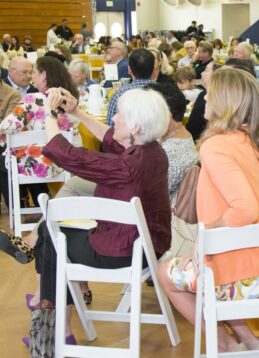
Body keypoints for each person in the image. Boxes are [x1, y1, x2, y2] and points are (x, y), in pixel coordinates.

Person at [0, 86, 172, 346]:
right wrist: (76, 112)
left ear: (135, 127)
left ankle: (54, 328)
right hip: (147, 245)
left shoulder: (129, 165)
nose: (114, 118)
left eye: (120, 115)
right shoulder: (152, 151)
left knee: (49, 237)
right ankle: (53, 319)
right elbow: (111, 137)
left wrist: (49, 114)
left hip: (123, 250)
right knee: (50, 237)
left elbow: (66, 154)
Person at [157, 67, 259, 353]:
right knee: (213, 271)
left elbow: (245, 210)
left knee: (165, 273)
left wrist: (204, 238)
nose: (205, 98)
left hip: (250, 275)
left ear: (224, 102)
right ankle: (251, 343)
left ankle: (226, 347)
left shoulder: (216, 146)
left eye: (210, 94)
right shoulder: (258, 144)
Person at [106, 49, 156, 126]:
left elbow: (110, 127)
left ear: (129, 70)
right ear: (153, 69)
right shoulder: (165, 92)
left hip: (128, 133)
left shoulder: (119, 95)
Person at [185, 61, 222, 141]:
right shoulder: (203, 94)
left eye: (206, 70)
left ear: (216, 75)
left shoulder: (219, 99)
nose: (202, 73)